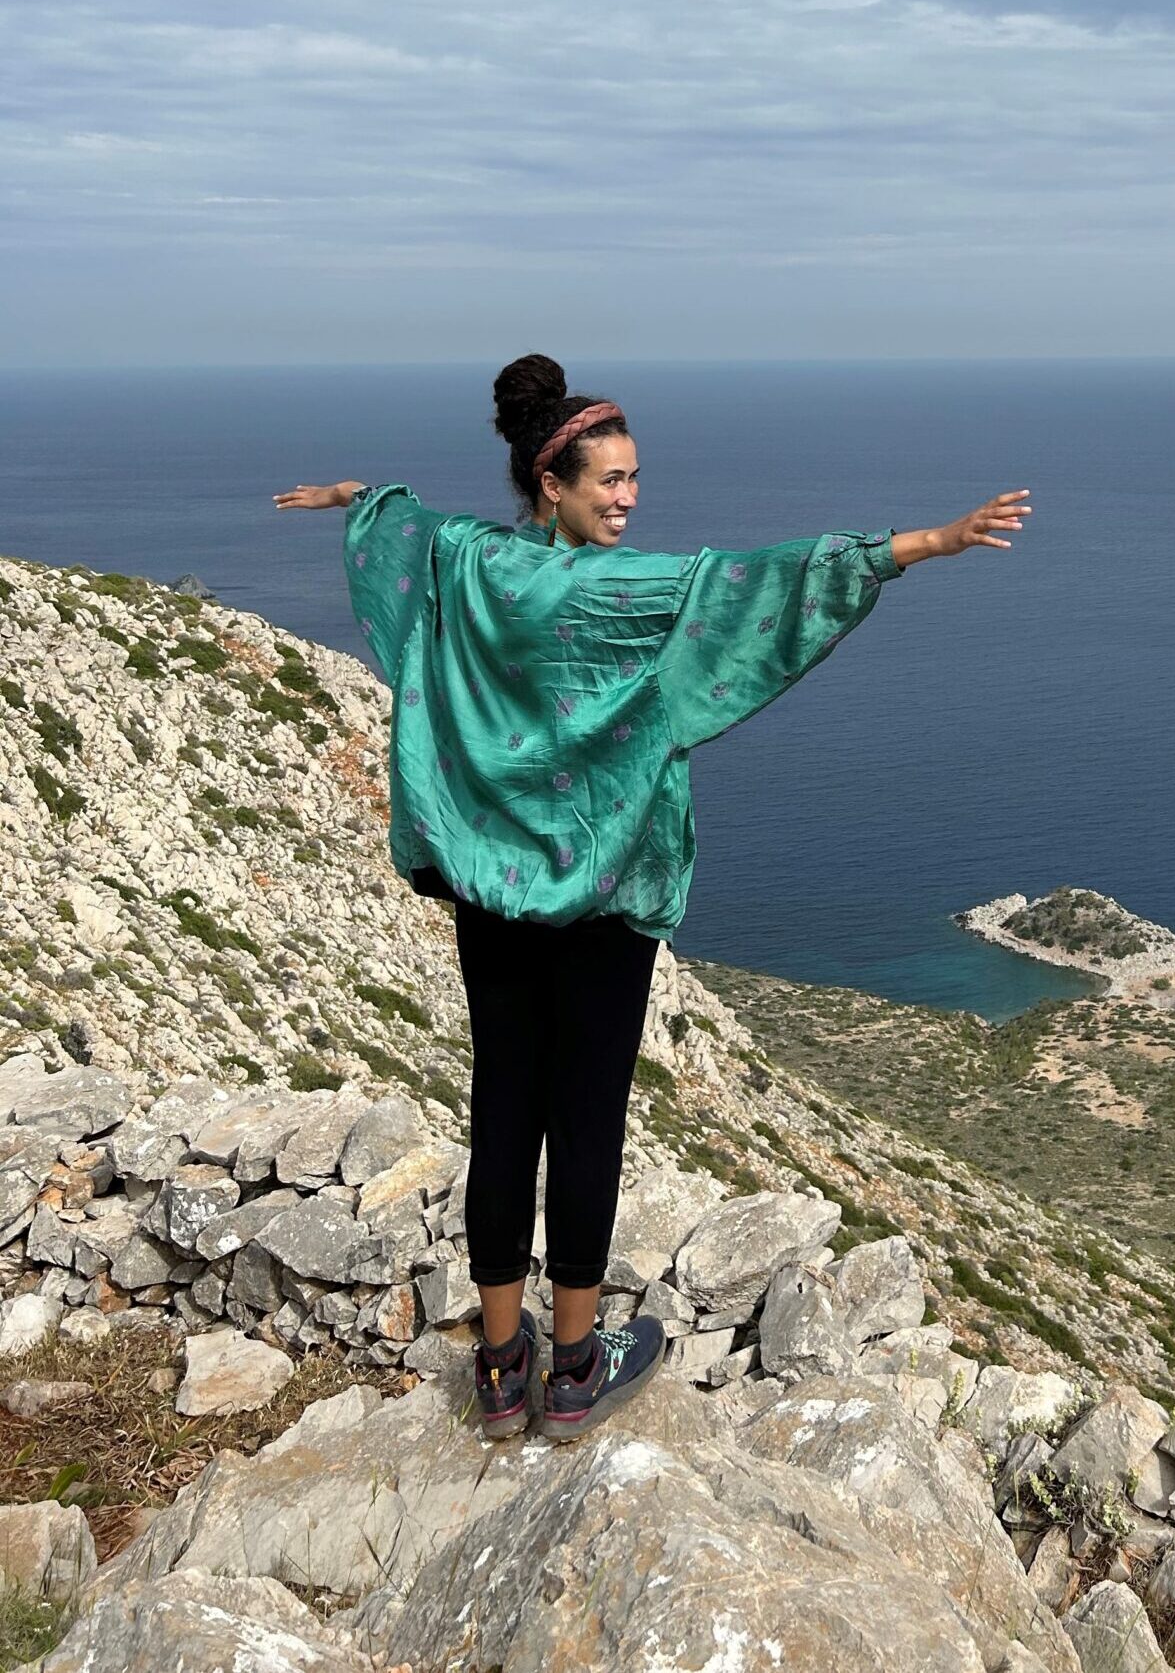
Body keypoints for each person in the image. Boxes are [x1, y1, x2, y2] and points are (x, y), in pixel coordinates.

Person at [275, 352, 1031, 1441]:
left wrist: (355, 495)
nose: (630, 498)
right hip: (609, 895)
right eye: (610, 481)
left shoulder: (476, 562)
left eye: (634, 478)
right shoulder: (638, 592)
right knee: (584, 1122)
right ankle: (574, 1364)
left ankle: (498, 1370)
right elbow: (775, 580)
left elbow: (411, 529)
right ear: (554, 483)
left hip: (491, 891)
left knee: (504, 1111)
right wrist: (928, 543)